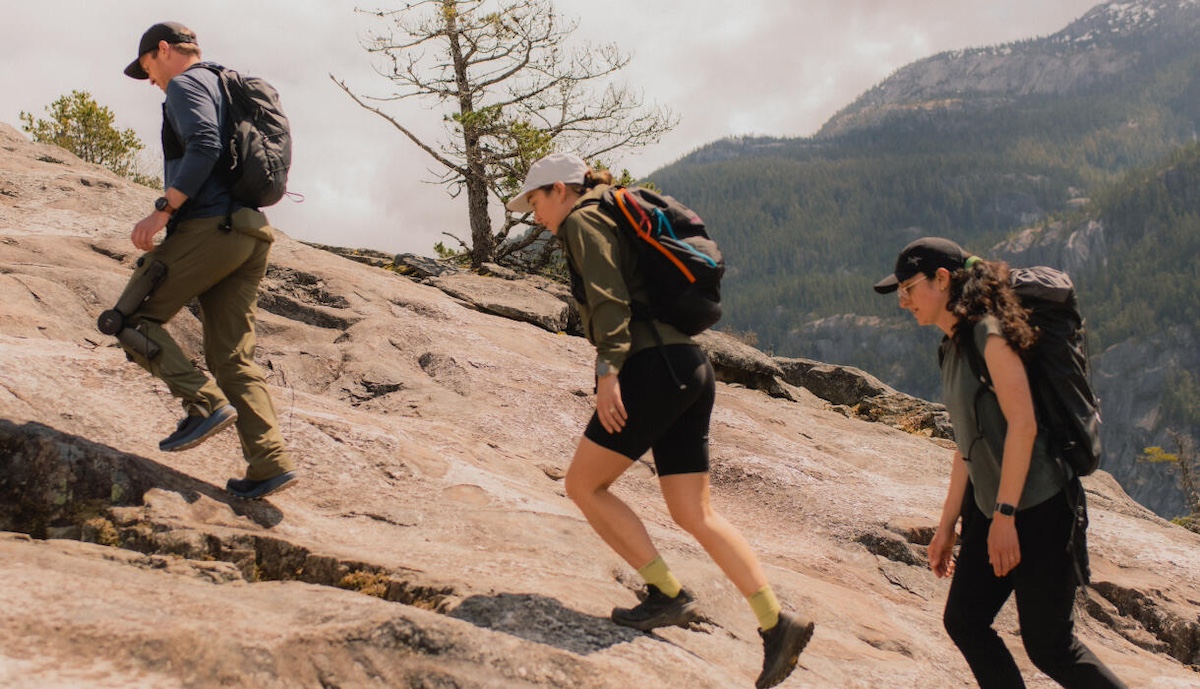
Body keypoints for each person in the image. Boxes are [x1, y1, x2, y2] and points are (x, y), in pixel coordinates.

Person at [508, 153, 814, 689]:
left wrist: (608, 372)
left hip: (651, 368)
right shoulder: (615, 211)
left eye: (534, 201)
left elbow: (608, 297)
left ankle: (667, 594)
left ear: (559, 190)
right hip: (691, 367)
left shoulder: (583, 217)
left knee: (583, 485)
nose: (535, 216)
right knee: (694, 511)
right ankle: (776, 622)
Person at [874, 237, 1126, 689]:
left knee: (1051, 648)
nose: (903, 301)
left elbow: (1024, 425)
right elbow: (966, 443)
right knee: (965, 621)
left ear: (942, 279)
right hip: (992, 511)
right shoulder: (951, 346)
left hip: (1041, 509)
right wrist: (947, 525)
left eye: (909, 288)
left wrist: (1006, 516)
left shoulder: (987, 334)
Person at [113, 22, 296, 500]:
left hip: (210, 227)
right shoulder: (224, 82)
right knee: (231, 356)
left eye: (148, 66)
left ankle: (203, 403)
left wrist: (163, 211)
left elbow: (205, 146)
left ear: (165, 50)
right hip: (248, 232)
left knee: (129, 319)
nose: (150, 78)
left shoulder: (186, 84)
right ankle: (269, 462)